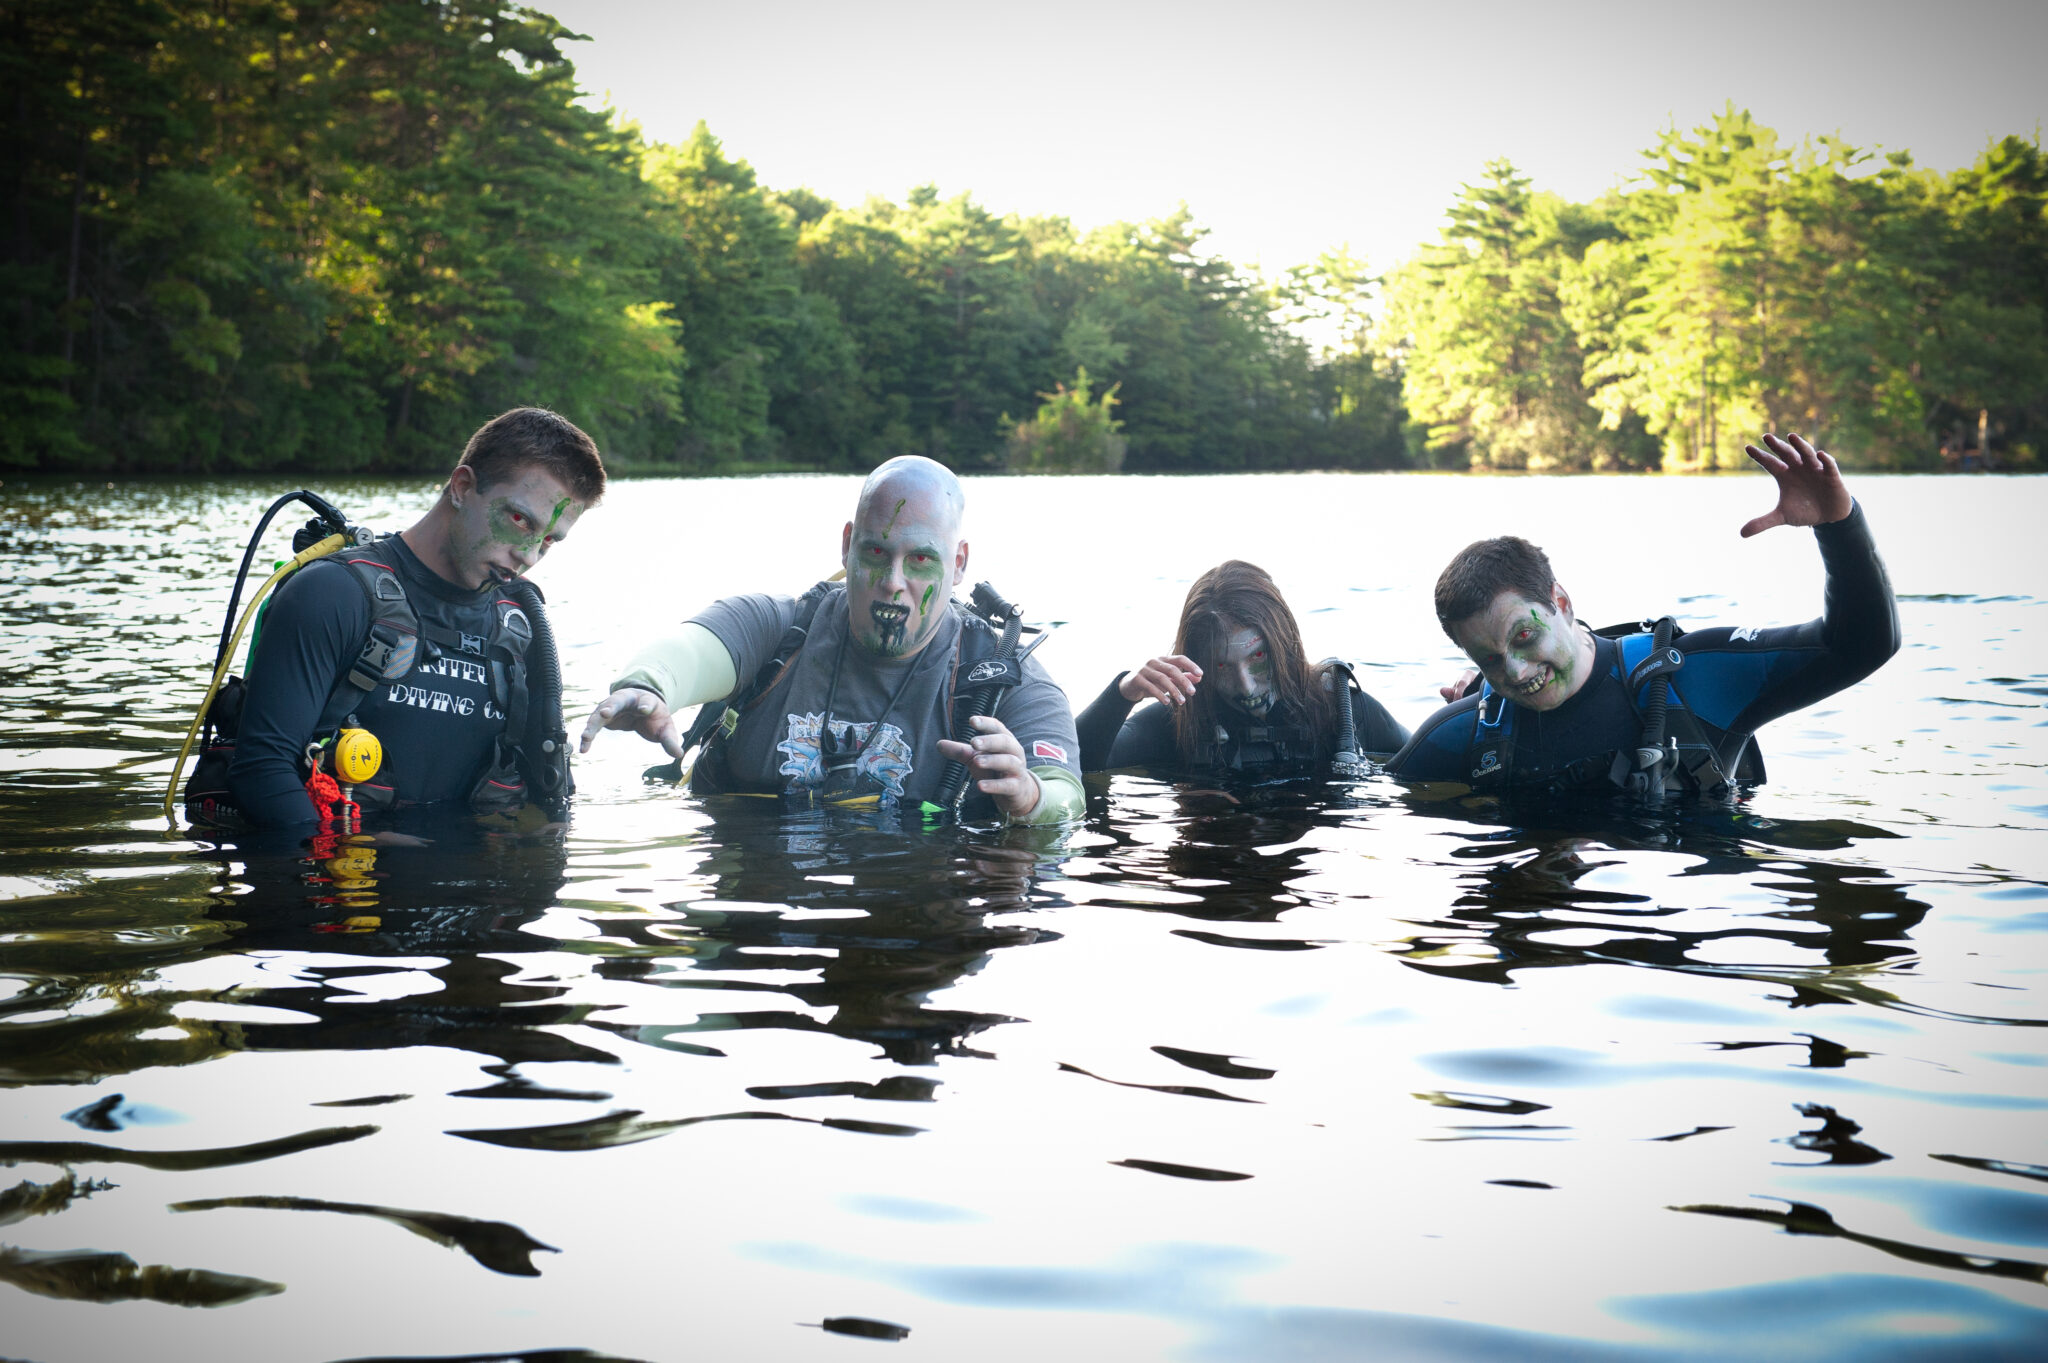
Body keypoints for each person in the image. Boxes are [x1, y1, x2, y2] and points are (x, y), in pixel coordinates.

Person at [1384, 432, 1899, 797]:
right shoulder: (1461, 736)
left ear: (1561, 602)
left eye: (1523, 637)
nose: (1515, 672)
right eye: (1490, 661)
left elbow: (1860, 646)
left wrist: (1840, 526)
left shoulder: (1697, 677)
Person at [579, 455, 1083, 823]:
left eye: (921, 561)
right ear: (847, 547)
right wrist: (649, 685)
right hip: (761, 911)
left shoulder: (1002, 676)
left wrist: (1029, 796)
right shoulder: (781, 628)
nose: (893, 580)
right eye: (876, 553)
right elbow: (690, 650)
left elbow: (1065, 796)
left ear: (959, 564)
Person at [208, 407, 605, 827]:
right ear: (463, 486)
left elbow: (552, 791)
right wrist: (352, 854)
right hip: (346, 882)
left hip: (474, 884)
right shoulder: (333, 595)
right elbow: (261, 773)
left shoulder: (521, 625)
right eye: (520, 520)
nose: (528, 556)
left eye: (548, 540)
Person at [1074, 560, 1409, 777]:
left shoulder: (1346, 713)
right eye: (1221, 666)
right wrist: (1124, 694)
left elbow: (1434, 763)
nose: (1246, 686)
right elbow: (1073, 763)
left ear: (1285, 643)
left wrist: (1462, 711)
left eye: (1258, 658)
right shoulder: (1177, 724)